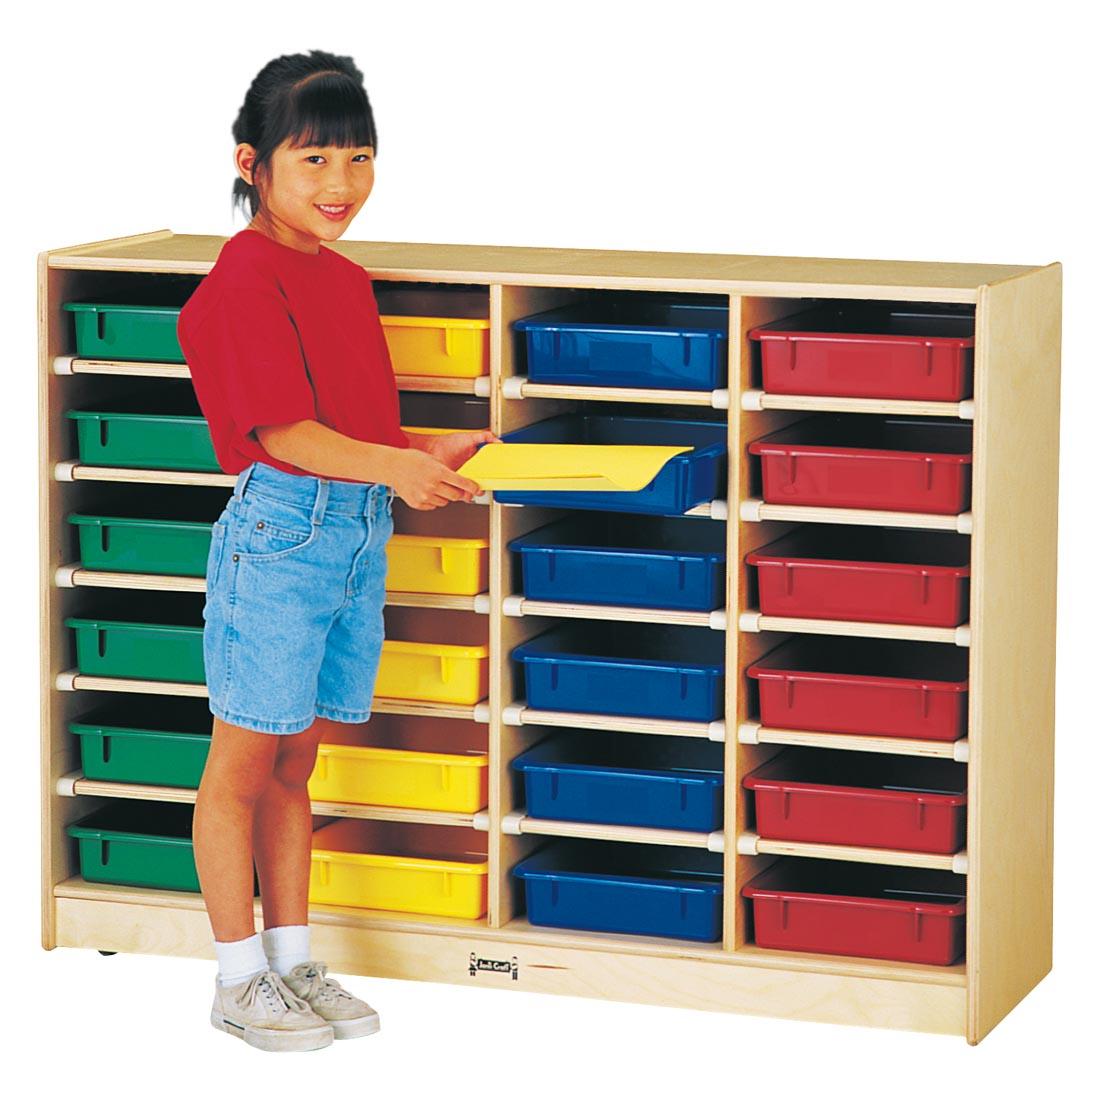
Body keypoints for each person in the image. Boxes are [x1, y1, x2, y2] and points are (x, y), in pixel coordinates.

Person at [176, 48, 497, 1053]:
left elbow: (349, 423)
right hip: (281, 533)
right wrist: (391, 467)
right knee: (240, 761)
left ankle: (292, 956)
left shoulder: (343, 282)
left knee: (296, 758)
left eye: (358, 157)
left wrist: (418, 454)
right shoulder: (243, 278)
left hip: (353, 534)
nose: (340, 184)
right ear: (252, 163)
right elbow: (281, 432)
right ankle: (237, 979)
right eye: (312, 159)